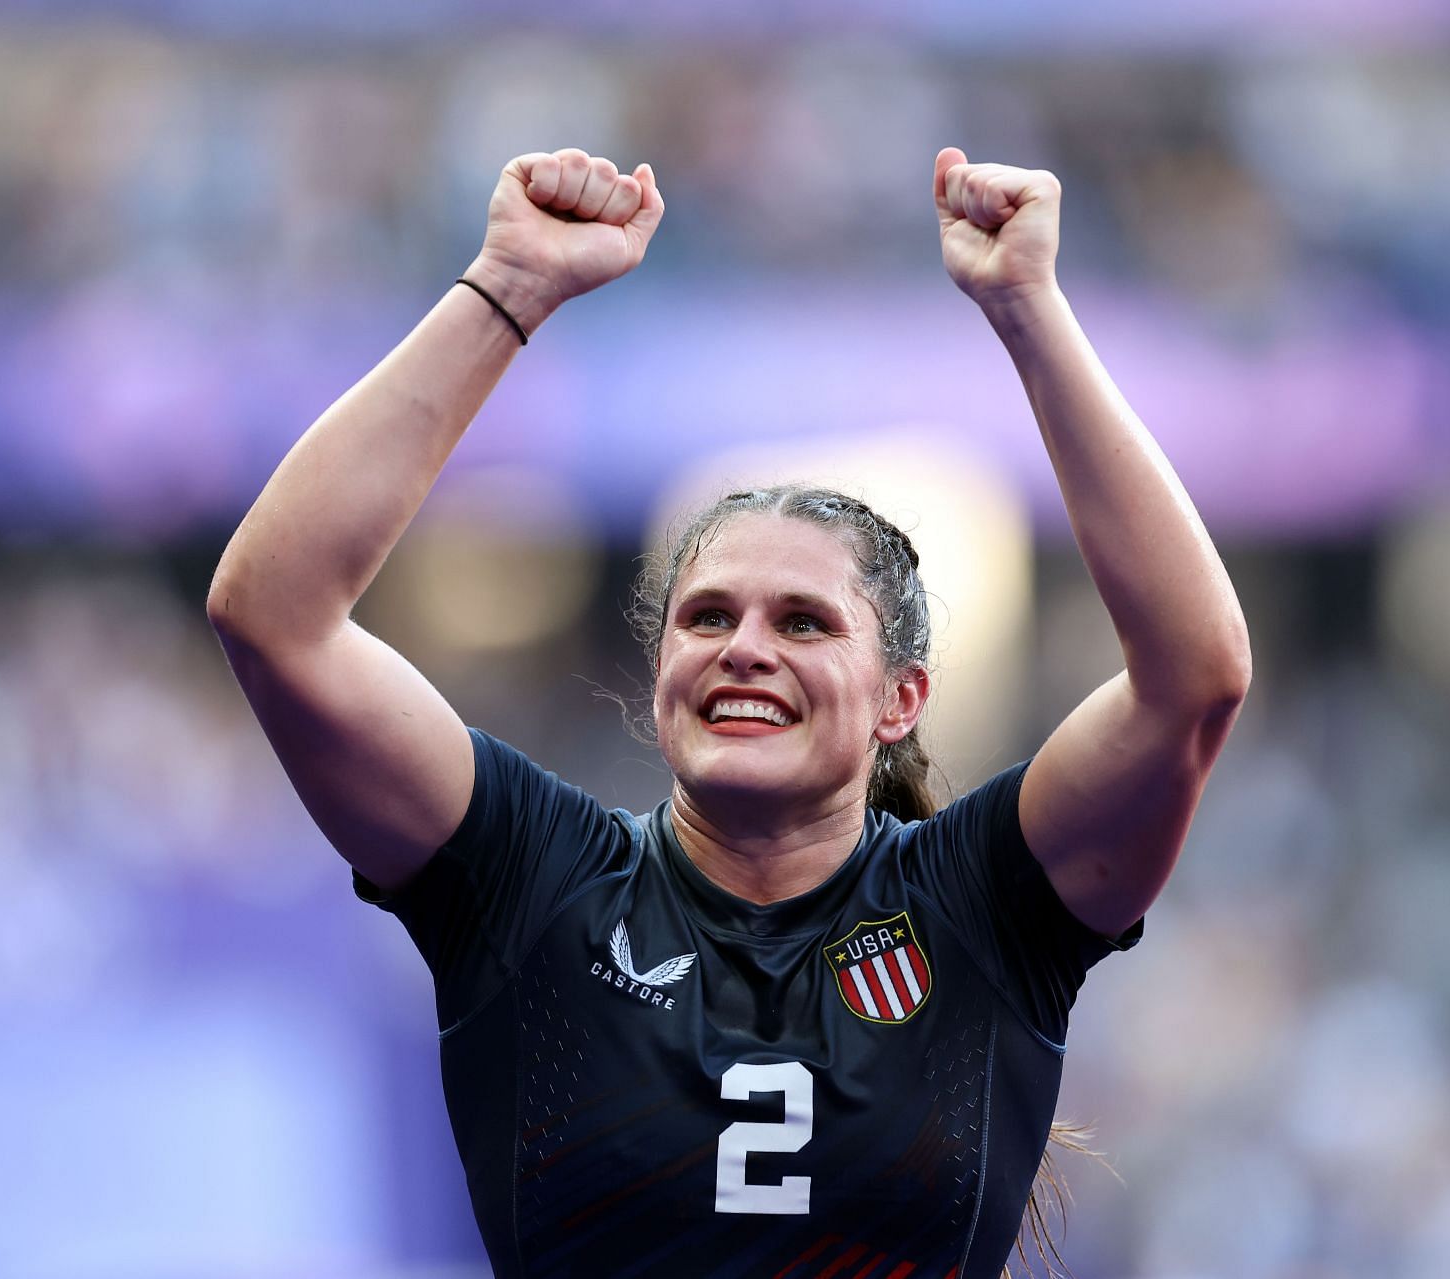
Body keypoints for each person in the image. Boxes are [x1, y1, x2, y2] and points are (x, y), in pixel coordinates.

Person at [208, 147, 1250, 1278]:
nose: (746, 647)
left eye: (804, 622)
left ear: (903, 700)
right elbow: (275, 614)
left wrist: (1029, 312)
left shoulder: (982, 906)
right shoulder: (533, 882)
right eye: (708, 617)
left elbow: (1193, 678)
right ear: (660, 677)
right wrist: (506, 289)